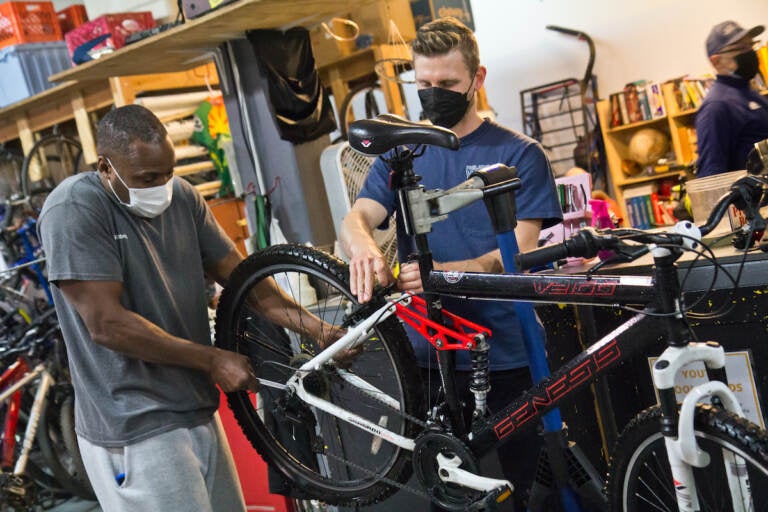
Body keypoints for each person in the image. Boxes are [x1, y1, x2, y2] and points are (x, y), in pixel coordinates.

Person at [37, 105, 340, 511]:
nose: (160, 186)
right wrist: (213, 359)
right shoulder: (74, 209)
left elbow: (244, 279)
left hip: (194, 408)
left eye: (167, 172)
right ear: (105, 168)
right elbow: (107, 325)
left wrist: (319, 330)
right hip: (135, 426)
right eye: (147, 178)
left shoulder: (181, 197)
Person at [340, 17, 562, 510]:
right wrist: (362, 245)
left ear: (477, 80)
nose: (434, 94)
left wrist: (451, 272)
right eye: (424, 85)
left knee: (517, 492)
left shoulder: (519, 154)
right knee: (449, 493)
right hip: (427, 353)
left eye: (447, 84)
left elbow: (518, 251)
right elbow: (358, 216)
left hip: (508, 352)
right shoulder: (401, 154)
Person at [695, 20, 768, 177]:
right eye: (741, 48)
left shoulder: (750, 94)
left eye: (750, 45)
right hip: (753, 200)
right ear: (716, 61)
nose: (750, 53)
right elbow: (712, 173)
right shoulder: (717, 106)